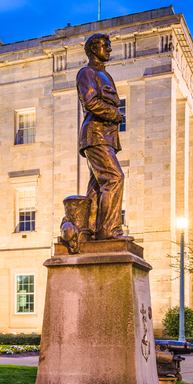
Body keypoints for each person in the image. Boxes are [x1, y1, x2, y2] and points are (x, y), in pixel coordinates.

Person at [77, 33, 129, 240]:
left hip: (106, 137)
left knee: (97, 186)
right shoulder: (87, 72)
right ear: (92, 49)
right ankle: (109, 231)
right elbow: (90, 102)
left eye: (109, 46)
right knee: (114, 178)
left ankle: (88, 229)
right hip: (95, 134)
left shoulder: (105, 75)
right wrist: (115, 114)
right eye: (104, 46)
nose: (109, 49)